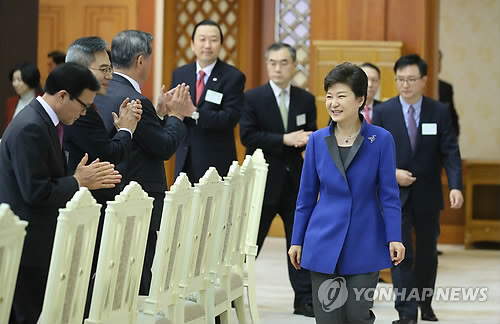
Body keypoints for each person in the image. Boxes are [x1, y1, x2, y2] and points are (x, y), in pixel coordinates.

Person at [0, 62, 122, 324]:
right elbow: (35, 191)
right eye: (84, 105)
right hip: (27, 245)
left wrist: (74, 179)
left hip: (36, 240)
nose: (85, 112)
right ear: (63, 95)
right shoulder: (31, 126)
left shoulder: (42, 120)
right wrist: (77, 181)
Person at [288, 62, 405, 324]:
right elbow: (306, 197)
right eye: (330, 96)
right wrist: (297, 240)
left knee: (357, 316)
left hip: (365, 240)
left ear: (360, 99)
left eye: (341, 96)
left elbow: (389, 196)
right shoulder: (317, 140)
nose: (334, 103)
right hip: (322, 240)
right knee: (328, 318)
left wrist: (394, 237)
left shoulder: (381, 139)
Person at [94, 29, 195, 294]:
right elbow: (163, 147)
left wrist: (160, 113)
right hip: (136, 201)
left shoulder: (103, 92)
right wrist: (177, 116)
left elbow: (145, 138)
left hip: (106, 195)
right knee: (136, 274)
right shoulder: (135, 98)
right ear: (141, 60)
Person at [372, 54, 463, 324]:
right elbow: (374, 154)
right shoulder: (383, 112)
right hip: (394, 195)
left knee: (426, 253)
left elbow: (450, 152)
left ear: (424, 80)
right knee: (400, 252)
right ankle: (407, 312)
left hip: (428, 193)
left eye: (411, 79)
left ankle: (426, 303)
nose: (405, 85)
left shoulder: (439, 111)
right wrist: (391, 173)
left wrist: (455, 186)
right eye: (400, 79)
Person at [62, 36, 143, 314]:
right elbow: (108, 153)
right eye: (104, 69)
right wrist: (127, 128)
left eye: (110, 68)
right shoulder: (78, 110)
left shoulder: (89, 107)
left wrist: (120, 129)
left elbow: (98, 146)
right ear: (81, 71)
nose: (110, 75)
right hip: (79, 200)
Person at [240, 42, 316, 317]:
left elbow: (312, 135)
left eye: (284, 62)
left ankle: (305, 300)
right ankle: (235, 295)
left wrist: (309, 146)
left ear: (295, 66)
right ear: (267, 65)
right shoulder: (253, 98)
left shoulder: (305, 99)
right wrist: (285, 139)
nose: (278, 68)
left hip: (297, 184)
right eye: (272, 62)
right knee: (250, 243)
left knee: (300, 242)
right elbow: (247, 136)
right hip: (262, 183)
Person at [170, 19, 246, 184]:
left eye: (213, 40)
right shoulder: (180, 74)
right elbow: (175, 113)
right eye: (202, 39)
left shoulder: (233, 77)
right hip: (184, 158)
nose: (207, 45)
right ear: (192, 44)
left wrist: (194, 113)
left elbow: (230, 118)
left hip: (216, 161)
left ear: (221, 44)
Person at [5, 63, 42, 127]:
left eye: (19, 80)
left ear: (30, 79)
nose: (15, 84)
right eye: (13, 80)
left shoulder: (42, 101)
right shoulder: (11, 102)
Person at [438, 50, 460, 138]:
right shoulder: (416, 87)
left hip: (444, 140)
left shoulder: (446, 88)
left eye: (439, 60)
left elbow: (452, 115)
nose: (437, 64)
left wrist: (453, 136)